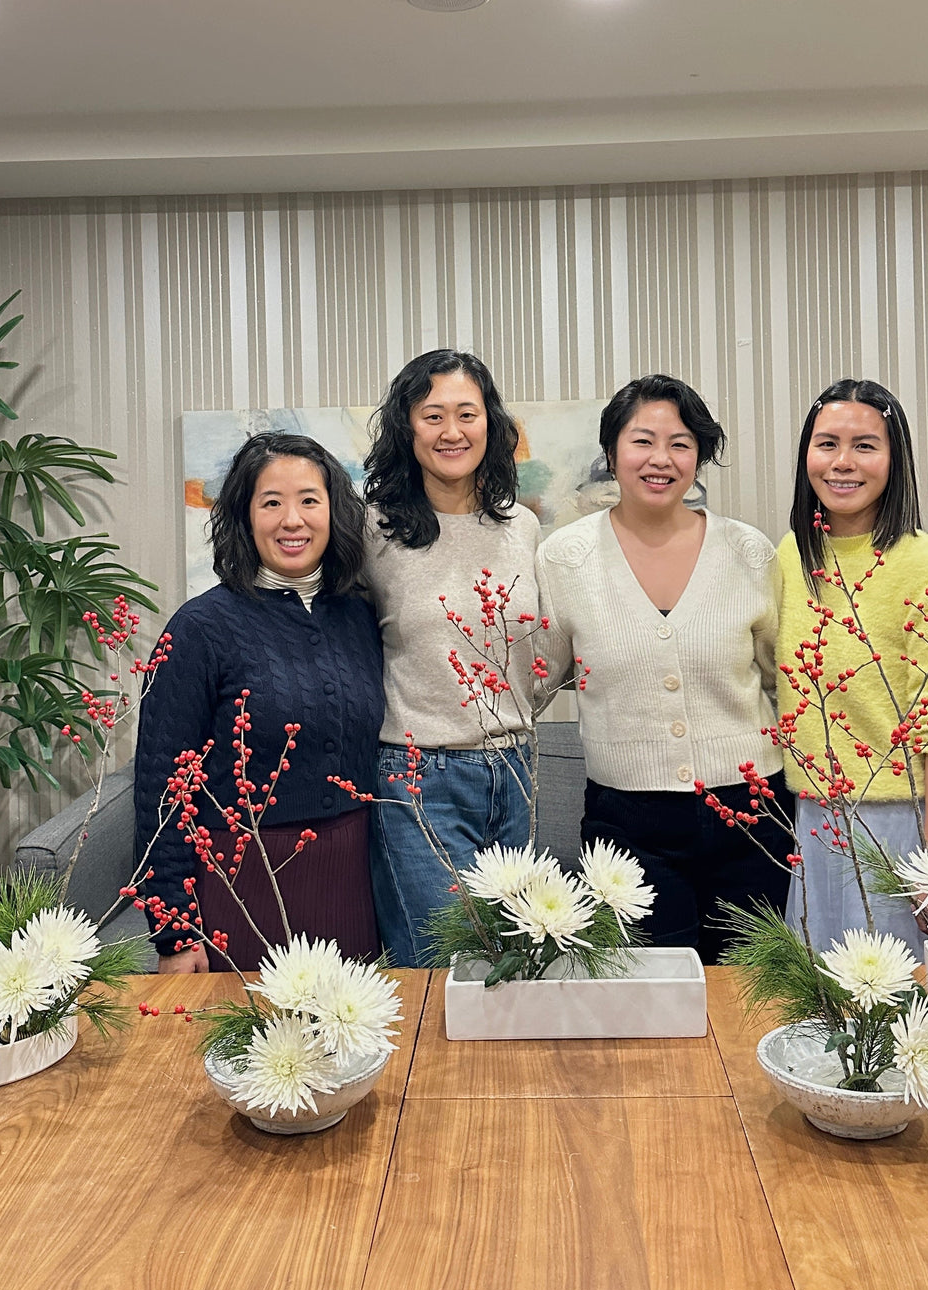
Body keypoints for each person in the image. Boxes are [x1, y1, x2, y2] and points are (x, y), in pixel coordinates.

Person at [535, 374, 794, 963]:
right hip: (628, 820)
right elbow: (533, 679)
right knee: (652, 993)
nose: (661, 459)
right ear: (611, 453)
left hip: (752, 810)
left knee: (749, 987)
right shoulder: (565, 558)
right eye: (642, 441)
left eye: (680, 443)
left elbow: (787, 682)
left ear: (699, 456)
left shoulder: (749, 552)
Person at [134, 432, 383, 972]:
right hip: (242, 889)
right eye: (271, 502)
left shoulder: (361, 617)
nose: (292, 520)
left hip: (356, 888)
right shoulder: (201, 627)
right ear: (245, 517)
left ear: (333, 512)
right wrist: (174, 932)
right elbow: (161, 785)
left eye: (309, 500)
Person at [778, 378, 928, 956]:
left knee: (905, 1019)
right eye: (827, 444)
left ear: (895, 459)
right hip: (816, 819)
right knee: (823, 1013)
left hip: (907, 823)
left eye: (865, 445)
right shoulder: (792, 558)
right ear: (806, 457)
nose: (843, 462)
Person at [362, 349, 542, 967]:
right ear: (406, 428)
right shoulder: (373, 529)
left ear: (489, 424)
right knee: (440, 968)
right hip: (419, 777)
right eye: (432, 414)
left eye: (467, 413)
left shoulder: (522, 526)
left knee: (511, 966)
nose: (451, 431)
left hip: (515, 771)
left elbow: (540, 646)